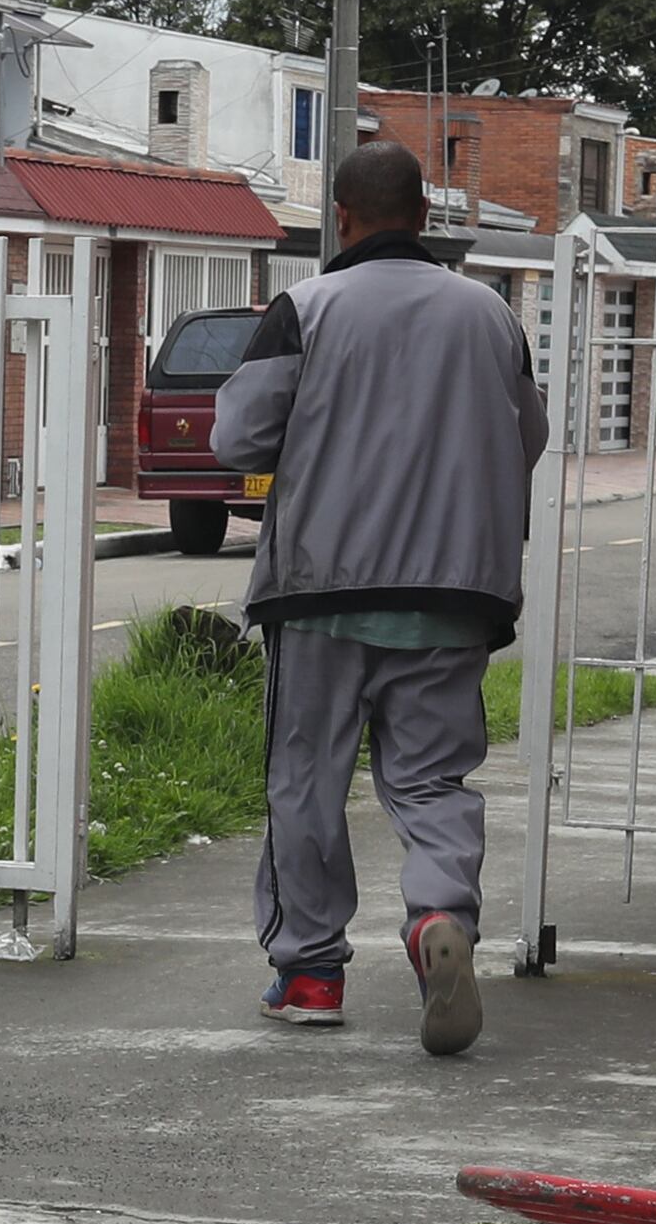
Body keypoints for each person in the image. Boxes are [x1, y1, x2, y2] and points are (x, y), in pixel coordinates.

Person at [206, 136, 543, 1055]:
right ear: (426, 216)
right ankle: (440, 918)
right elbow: (528, 435)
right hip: (454, 592)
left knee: (306, 783)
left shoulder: (306, 307)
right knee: (432, 780)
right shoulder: (491, 316)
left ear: (342, 220)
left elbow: (239, 440)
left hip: (320, 592)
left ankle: (310, 973)